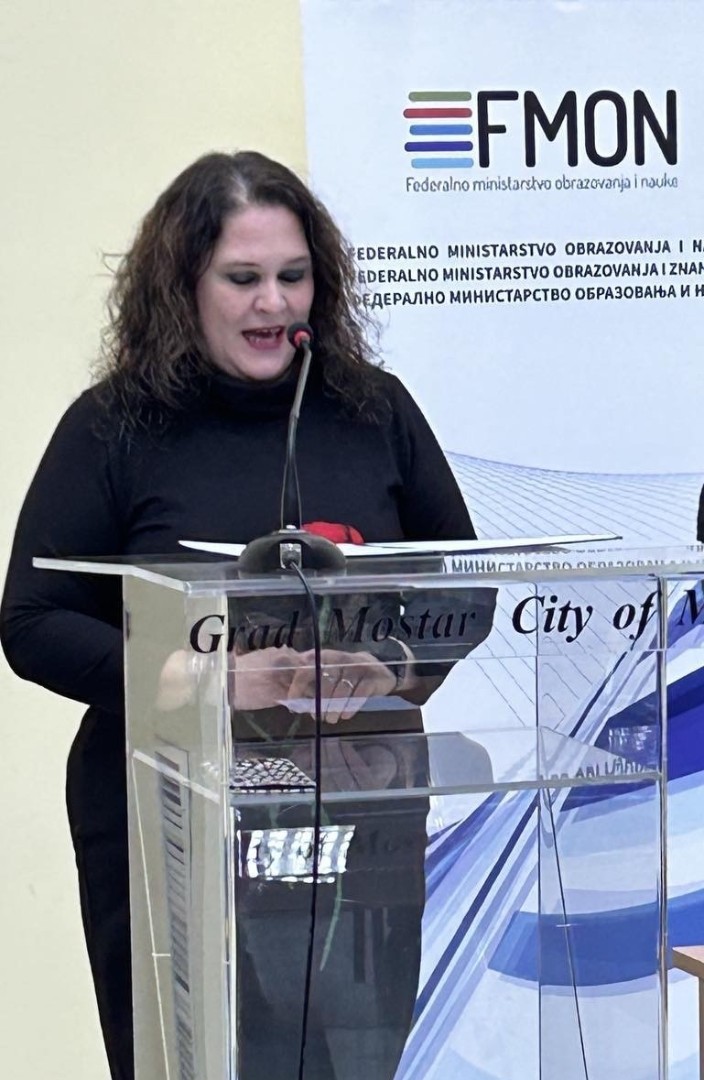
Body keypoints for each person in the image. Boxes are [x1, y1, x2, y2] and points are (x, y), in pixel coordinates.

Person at [0, 150, 491, 1080]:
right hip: (166, 812)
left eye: (293, 276)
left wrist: (389, 665)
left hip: (361, 807)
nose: (274, 303)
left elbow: (464, 588)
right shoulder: (114, 427)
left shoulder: (374, 411)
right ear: (184, 287)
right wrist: (208, 679)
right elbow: (32, 621)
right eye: (243, 279)